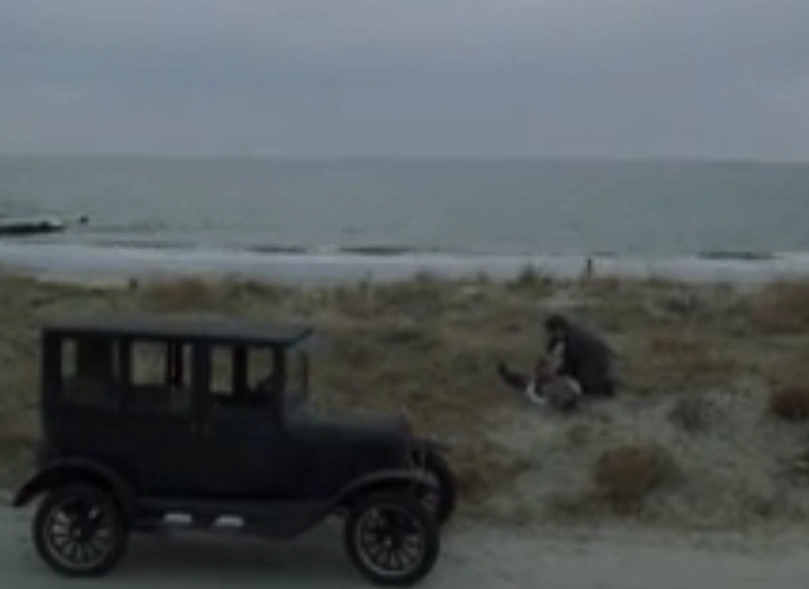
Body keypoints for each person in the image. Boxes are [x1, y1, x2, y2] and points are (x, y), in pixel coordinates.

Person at [497, 313, 616, 410]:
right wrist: (543, 365)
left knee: (551, 385)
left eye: (549, 333)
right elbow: (553, 347)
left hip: (590, 382)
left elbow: (569, 368)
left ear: (557, 330)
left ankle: (522, 382)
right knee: (548, 379)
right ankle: (523, 381)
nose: (548, 336)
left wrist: (550, 374)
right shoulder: (573, 334)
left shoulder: (573, 344)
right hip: (599, 376)